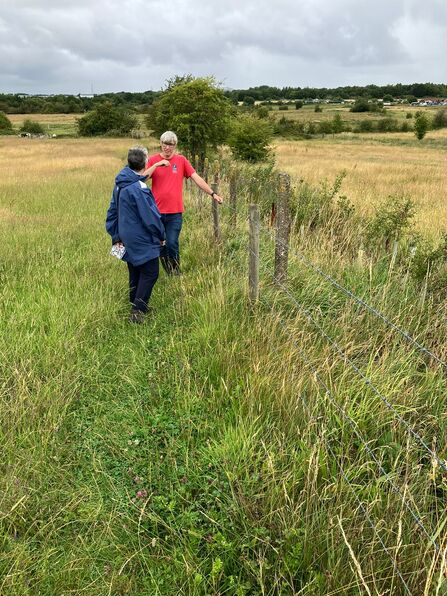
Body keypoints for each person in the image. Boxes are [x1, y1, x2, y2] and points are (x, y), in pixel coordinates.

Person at [145, 131, 223, 275]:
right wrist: (156, 165)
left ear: (175, 146)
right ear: (161, 144)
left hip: (175, 212)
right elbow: (143, 178)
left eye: (171, 145)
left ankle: (176, 272)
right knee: (161, 244)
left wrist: (212, 193)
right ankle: (169, 272)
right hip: (156, 212)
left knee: (172, 243)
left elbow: (196, 178)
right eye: (165, 144)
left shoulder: (181, 161)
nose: (167, 148)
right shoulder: (153, 160)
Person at [106, 146, 165, 323]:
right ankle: (137, 311)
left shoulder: (120, 183)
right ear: (145, 162)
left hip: (125, 236)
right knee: (150, 272)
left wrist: (116, 235)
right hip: (141, 238)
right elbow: (151, 218)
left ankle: (136, 302)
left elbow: (112, 212)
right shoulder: (139, 188)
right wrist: (161, 235)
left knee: (134, 268)